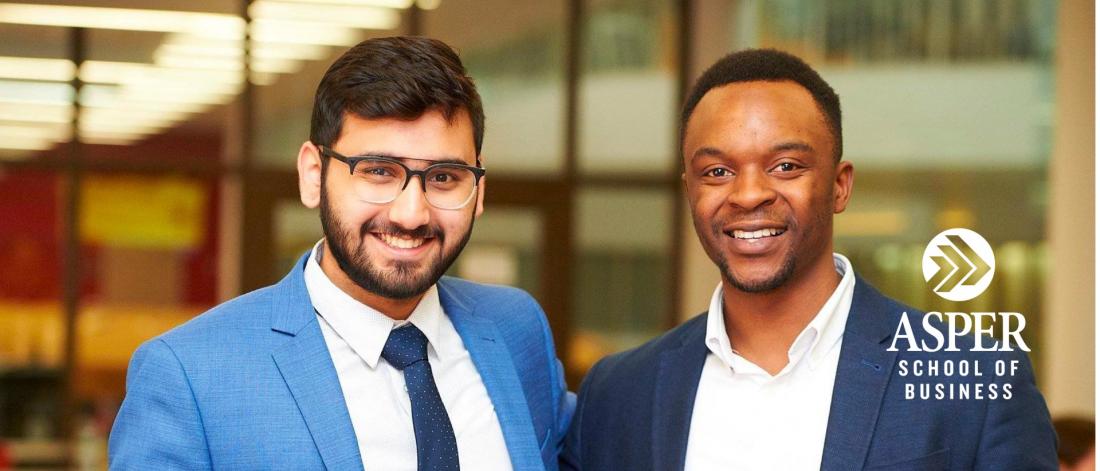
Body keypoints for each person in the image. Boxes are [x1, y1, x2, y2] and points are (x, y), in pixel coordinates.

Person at [560, 48, 1057, 470]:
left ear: (839, 186)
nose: (748, 194)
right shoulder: (618, 394)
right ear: (690, 191)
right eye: (717, 171)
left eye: (785, 166)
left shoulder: (977, 383)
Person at [109, 36, 573, 471]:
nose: (411, 214)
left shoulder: (516, 330)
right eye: (378, 171)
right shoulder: (190, 375)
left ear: (479, 189)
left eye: (444, 178)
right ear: (313, 175)